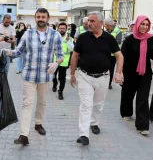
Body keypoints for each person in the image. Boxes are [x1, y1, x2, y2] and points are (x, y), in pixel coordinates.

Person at [4, 8, 63, 145]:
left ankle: (38, 123)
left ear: (48, 19)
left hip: (45, 76)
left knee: (42, 102)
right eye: (38, 17)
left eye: (43, 16)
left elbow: (60, 55)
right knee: (27, 104)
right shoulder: (27, 34)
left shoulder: (55, 35)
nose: (41, 19)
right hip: (29, 75)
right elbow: (19, 51)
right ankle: (24, 135)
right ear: (35, 18)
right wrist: (8, 52)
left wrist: (56, 63)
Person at [70, 11, 123, 146]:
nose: (89, 23)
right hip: (85, 76)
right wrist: (72, 74)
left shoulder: (109, 38)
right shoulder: (82, 37)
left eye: (92, 21)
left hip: (103, 77)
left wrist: (118, 73)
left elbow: (119, 56)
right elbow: (75, 56)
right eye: (88, 21)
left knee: (98, 104)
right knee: (86, 105)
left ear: (100, 23)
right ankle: (83, 134)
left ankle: (94, 123)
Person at [120, 15, 153, 136]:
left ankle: (142, 126)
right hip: (130, 72)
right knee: (128, 94)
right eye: (142, 24)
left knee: (143, 98)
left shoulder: (150, 38)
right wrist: (119, 73)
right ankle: (126, 112)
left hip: (145, 72)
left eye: (147, 25)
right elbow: (122, 57)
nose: (144, 27)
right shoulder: (129, 40)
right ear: (137, 24)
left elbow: (150, 53)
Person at [52, 22, 74, 100]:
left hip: (64, 62)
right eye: (60, 28)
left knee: (62, 78)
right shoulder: (54, 37)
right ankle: (54, 84)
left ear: (66, 29)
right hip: (55, 61)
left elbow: (72, 49)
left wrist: (68, 42)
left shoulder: (69, 38)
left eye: (63, 28)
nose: (62, 30)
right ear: (58, 29)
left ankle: (60, 91)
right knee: (53, 76)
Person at [104, 18, 122, 90]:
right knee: (104, 69)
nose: (104, 26)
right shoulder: (105, 31)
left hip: (113, 55)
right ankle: (104, 82)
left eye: (105, 24)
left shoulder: (118, 31)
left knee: (111, 69)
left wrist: (108, 43)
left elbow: (118, 41)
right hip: (105, 54)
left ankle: (109, 83)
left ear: (108, 25)